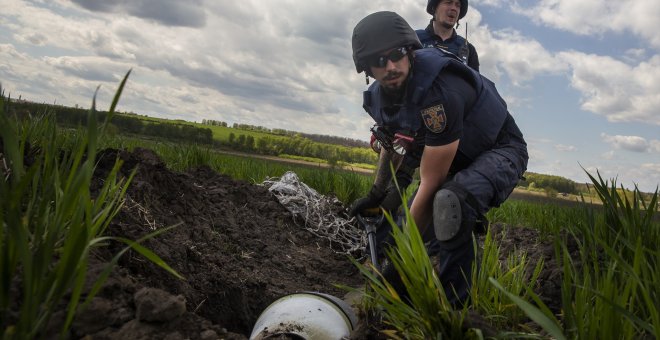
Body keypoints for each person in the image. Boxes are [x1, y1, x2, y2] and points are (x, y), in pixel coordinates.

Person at [349, 11, 527, 306]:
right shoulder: (380, 97)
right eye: (380, 61)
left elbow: (431, 182)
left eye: (396, 55)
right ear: (366, 68)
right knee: (397, 223)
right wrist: (377, 194)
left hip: (499, 149)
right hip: (452, 156)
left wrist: (405, 256)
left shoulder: (438, 90)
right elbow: (392, 144)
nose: (391, 66)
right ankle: (401, 295)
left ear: (411, 52)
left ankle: (453, 310)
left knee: (450, 202)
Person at [417, 0, 480, 71]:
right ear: (434, 8)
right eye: (448, 2)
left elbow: (475, 81)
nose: (454, 8)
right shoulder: (414, 39)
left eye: (457, 5)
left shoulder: (468, 49)